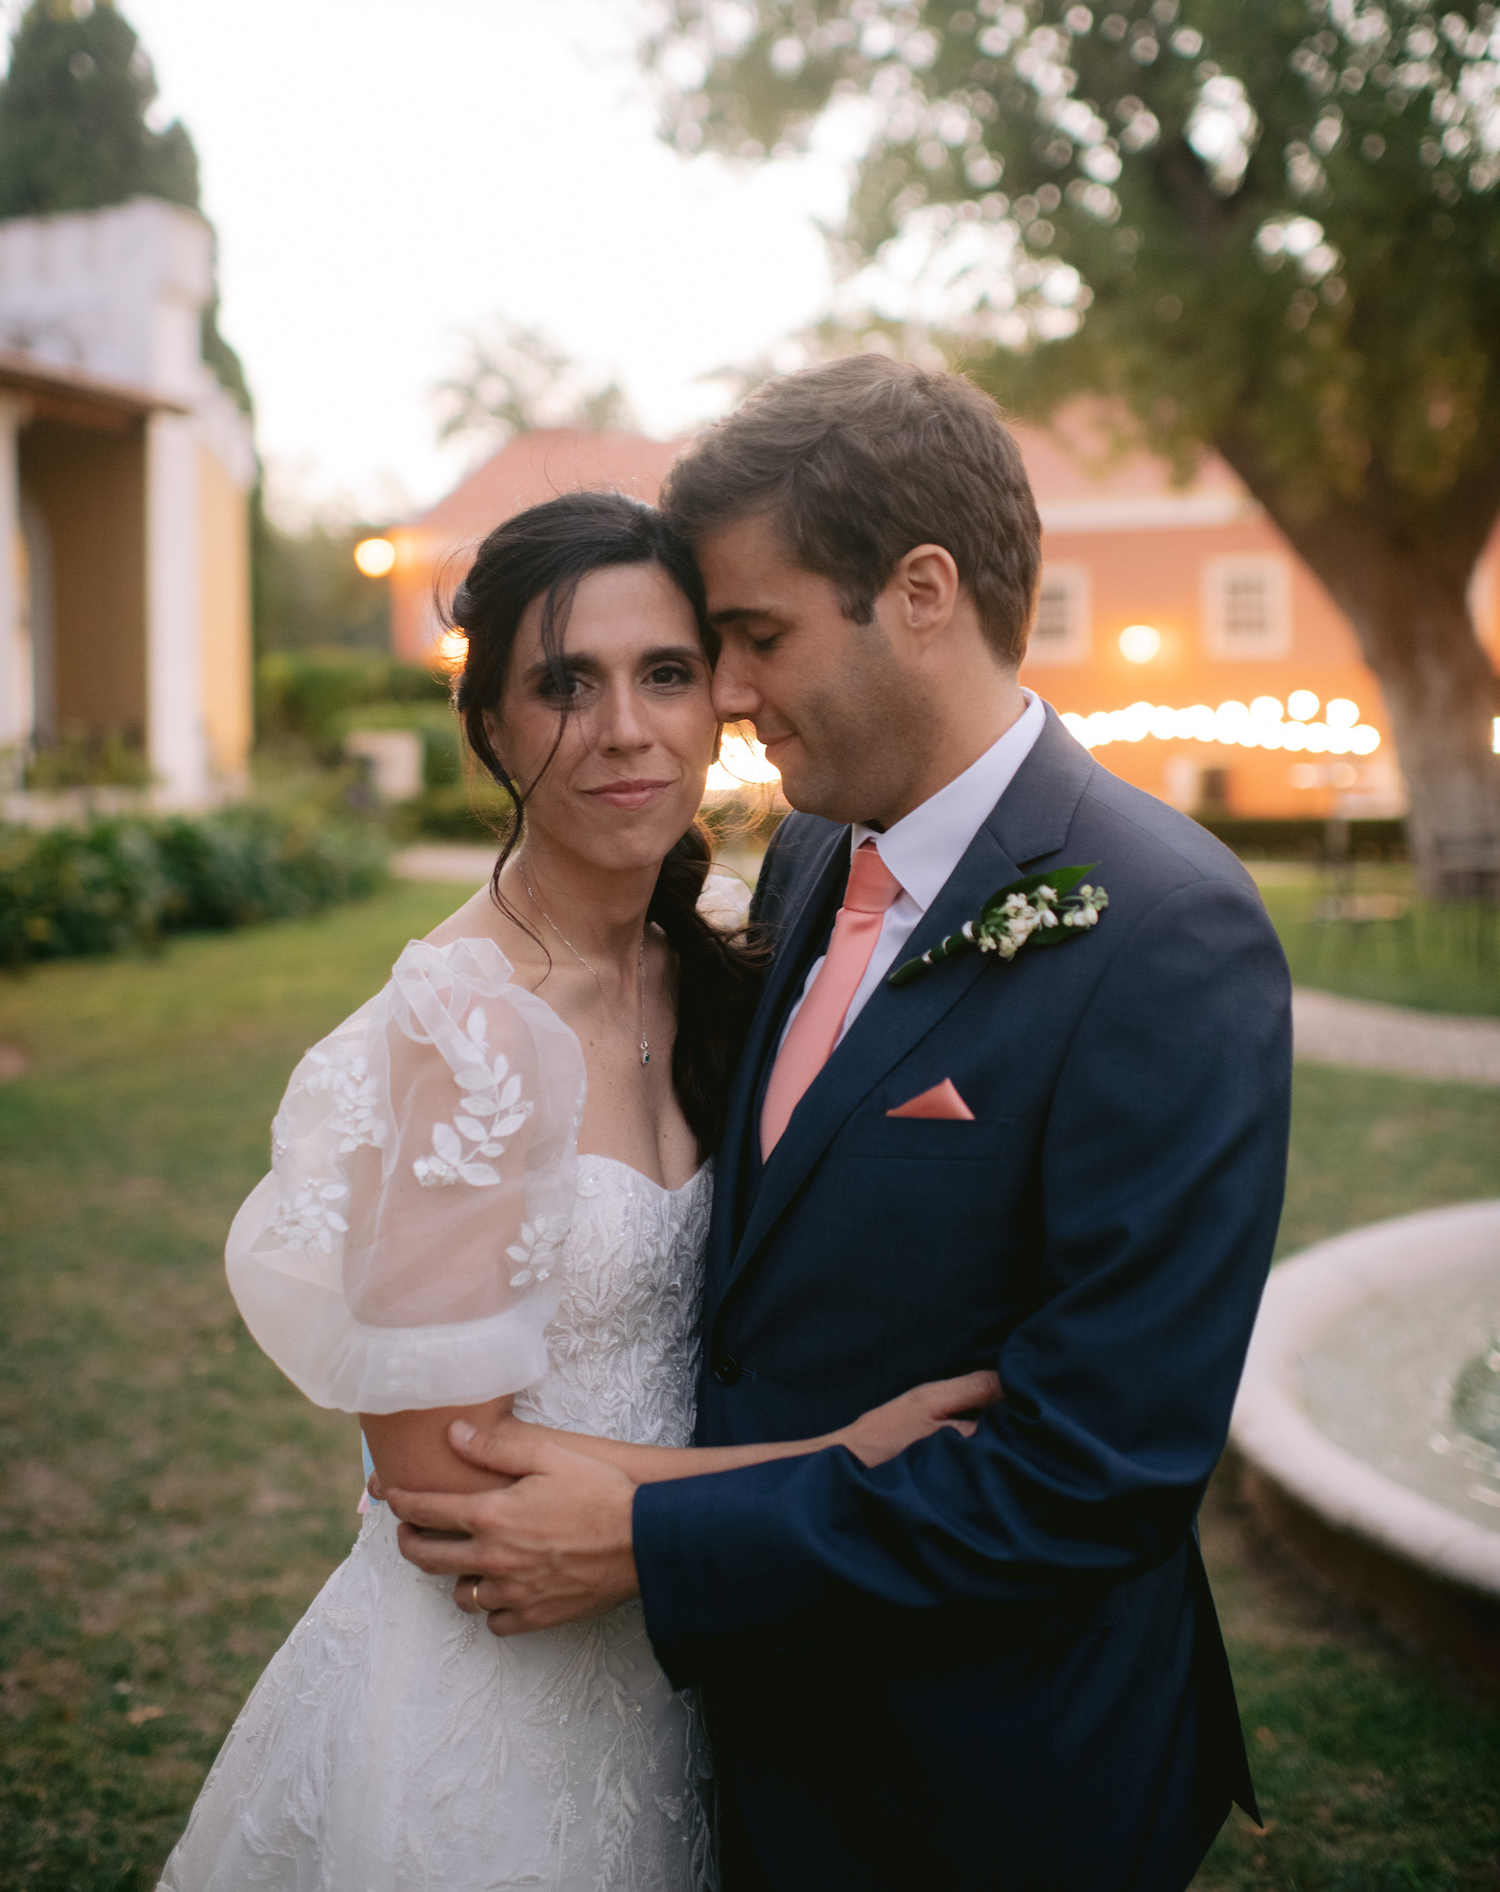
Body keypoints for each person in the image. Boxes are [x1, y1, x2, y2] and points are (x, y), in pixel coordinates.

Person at [390, 359, 1292, 1892]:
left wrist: (659, 1541)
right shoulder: (813, 858)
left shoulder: (1165, 931)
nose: (724, 695)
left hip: (988, 1786)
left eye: (755, 635)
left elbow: (1093, 1478)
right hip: (741, 1752)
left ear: (922, 591)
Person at [158, 489, 998, 1892]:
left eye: (665, 672)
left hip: (697, 1677)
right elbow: (442, 1497)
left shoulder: (736, 974)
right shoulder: (458, 1027)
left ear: (723, 697)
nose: (625, 727)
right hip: (496, 1718)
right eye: (565, 682)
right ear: (488, 724)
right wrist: (839, 1462)